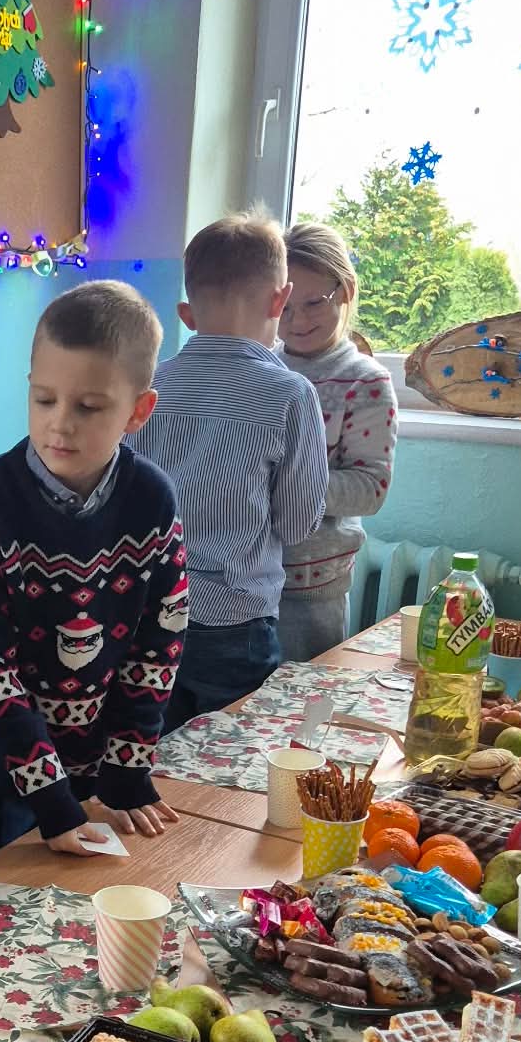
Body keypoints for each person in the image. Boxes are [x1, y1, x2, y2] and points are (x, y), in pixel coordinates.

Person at [0, 279, 187, 881]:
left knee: (67, 893)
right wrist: (51, 801)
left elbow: (159, 643)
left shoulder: (153, 501)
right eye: (44, 399)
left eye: (88, 407)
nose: (59, 425)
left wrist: (127, 766)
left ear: (138, 411)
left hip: (82, 751)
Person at [133, 212, 329, 730]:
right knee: (230, 756)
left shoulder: (152, 387)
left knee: (151, 749)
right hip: (236, 622)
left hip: (148, 613)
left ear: (186, 314)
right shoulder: (290, 395)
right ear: (280, 301)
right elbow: (297, 523)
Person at [277, 221, 398, 660]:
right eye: (284, 307)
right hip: (240, 579)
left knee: (302, 695)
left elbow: (370, 490)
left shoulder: (365, 381)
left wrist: (279, 484)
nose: (298, 321)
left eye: (314, 303)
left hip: (314, 589)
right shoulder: (260, 371)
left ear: (345, 291)